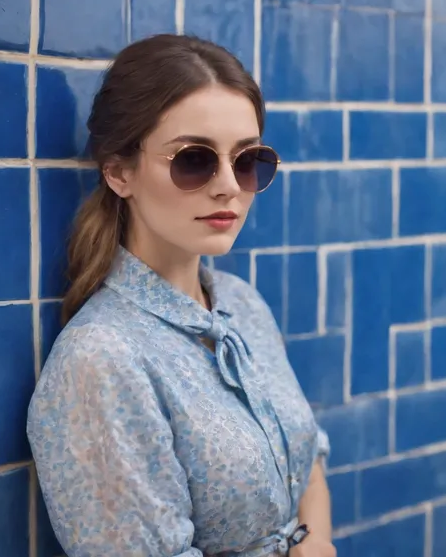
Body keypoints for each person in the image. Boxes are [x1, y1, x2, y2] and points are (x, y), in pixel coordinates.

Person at [27, 34, 335, 557]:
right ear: (119, 171)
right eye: (194, 160)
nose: (227, 187)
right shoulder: (101, 359)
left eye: (246, 161)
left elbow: (306, 458)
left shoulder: (242, 303)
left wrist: (319, 543)